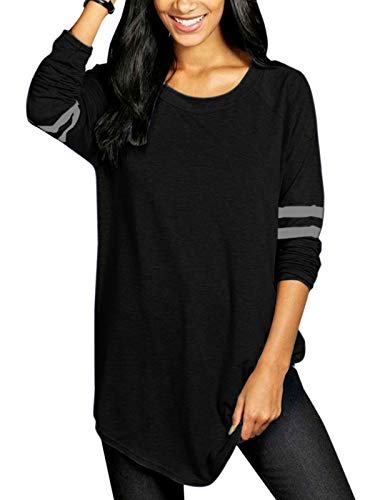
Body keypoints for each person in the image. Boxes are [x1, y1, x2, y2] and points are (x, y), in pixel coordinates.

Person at [26, 0, 356, 498]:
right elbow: (47, 105)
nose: (183, 4)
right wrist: (99, 4)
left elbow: (299, 241)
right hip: (139, 383)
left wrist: (272, 370)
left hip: (252, 362)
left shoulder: (281, 93)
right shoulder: (123, 93)